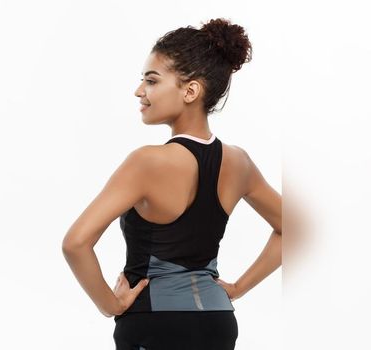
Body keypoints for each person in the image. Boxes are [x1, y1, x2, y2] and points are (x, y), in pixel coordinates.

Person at [62, 18, 281, 350]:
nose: (140, 91)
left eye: (151, 81)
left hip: (155, 322)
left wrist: (111, 305)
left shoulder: (147, 162)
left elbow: (75, 243)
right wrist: (238, 288)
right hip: (219, 322)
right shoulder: (239, 162)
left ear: (190, 90)